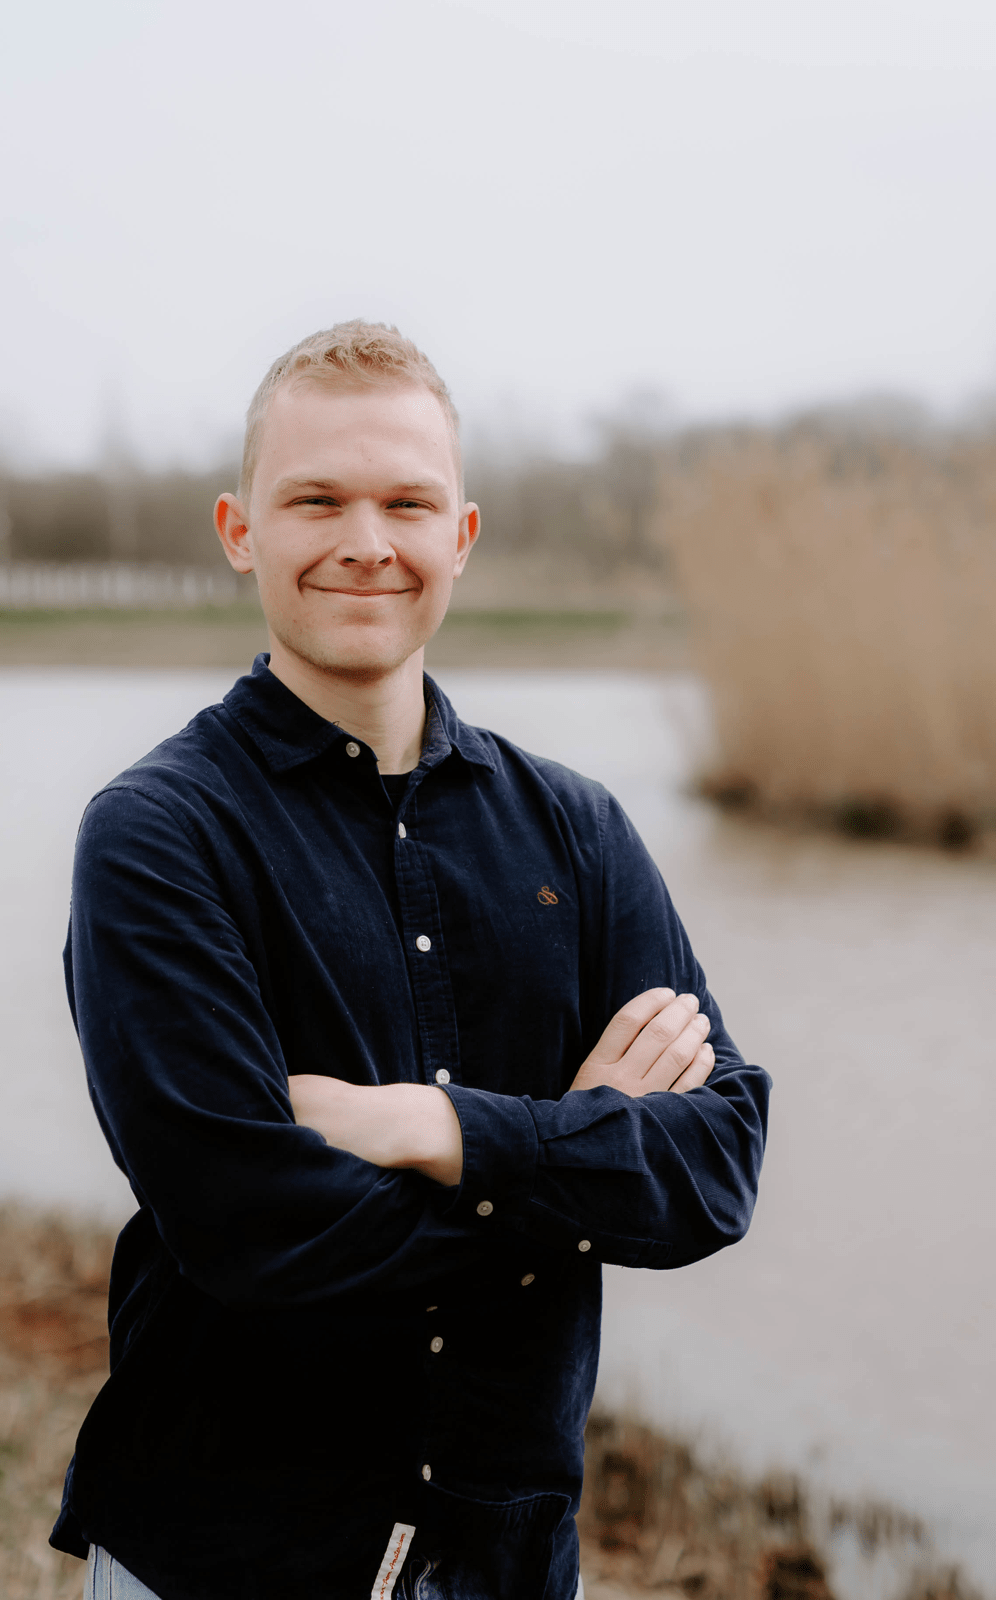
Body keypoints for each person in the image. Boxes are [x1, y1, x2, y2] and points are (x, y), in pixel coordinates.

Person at [50, 322, 771, 1600]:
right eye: (316, 500)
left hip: (508, 1563)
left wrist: (435, 1128)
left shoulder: (577, 831)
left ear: (464, 535)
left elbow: (716, 1166)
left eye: (408, 502)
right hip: (226, 1560)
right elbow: (249, 1226)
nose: (366, 541)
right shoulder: (159, 834)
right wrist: (573, 1151)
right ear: (238, 530)